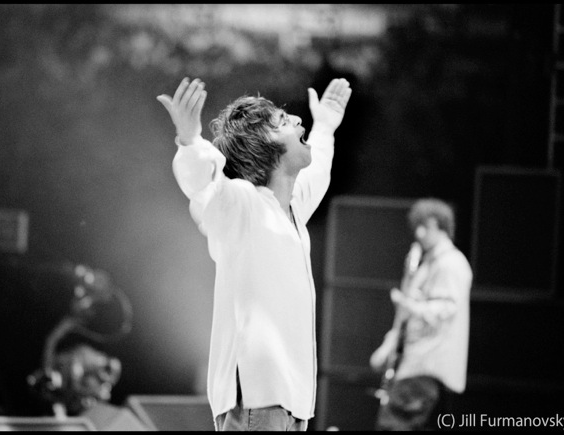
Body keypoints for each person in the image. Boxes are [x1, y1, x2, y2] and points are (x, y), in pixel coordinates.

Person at [157, 77, 352, 431]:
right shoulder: (243, 206)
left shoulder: (291, 211)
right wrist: (190, 141)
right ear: (264, 146)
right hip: (255, 397)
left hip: (290, 403)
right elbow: (204, 186)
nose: (298, 120)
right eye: (283, 121)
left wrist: (325, 126)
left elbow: (319, 171)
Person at [369, 198, 472, 431]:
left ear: (441, 226)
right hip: (416, 364)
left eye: (426, 226)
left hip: (426, 364)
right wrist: (388, 346)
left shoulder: (450, 264)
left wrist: (408, 304)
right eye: (417, 226)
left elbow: (446, 309)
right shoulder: (429, 263)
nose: (419, 233)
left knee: (393, 426)